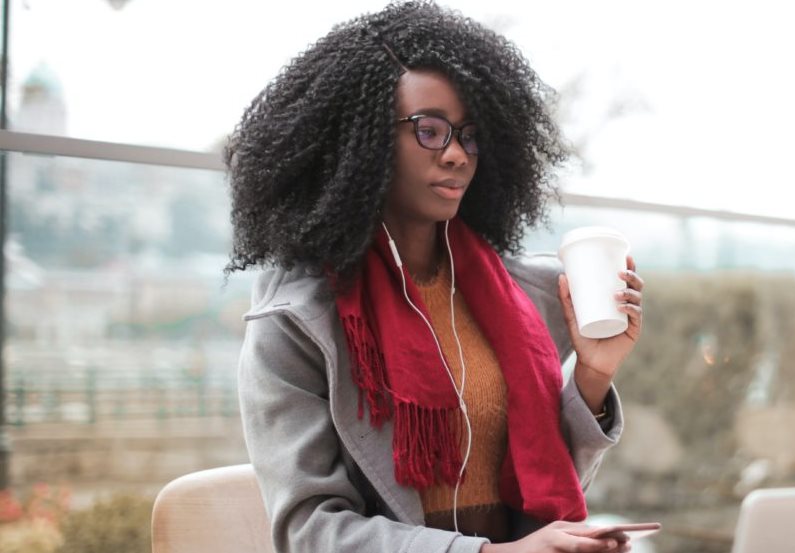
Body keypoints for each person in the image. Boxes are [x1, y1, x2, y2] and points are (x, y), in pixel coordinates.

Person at [224, 3, 643, 552]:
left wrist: (592, 372)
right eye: (429, 131)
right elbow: (311, 531)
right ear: (362, 141)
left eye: (468, 136)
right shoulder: (297, 319)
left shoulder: (515, 295)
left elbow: (544, 484)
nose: (455, 155)